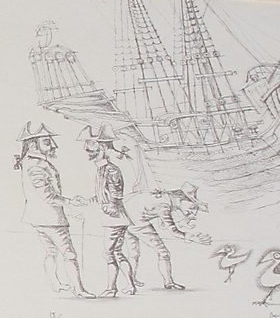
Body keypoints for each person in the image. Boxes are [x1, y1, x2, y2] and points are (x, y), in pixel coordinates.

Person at [16, 122, 95, 297]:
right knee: (70, 254)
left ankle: (56, 284)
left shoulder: (30, 162)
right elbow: (48, 195)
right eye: (47, 142)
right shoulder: (36, 165)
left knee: (51, 253)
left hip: (40, 218)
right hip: (51, 219)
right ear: (33, 145)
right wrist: (70, 203)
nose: (53, 145)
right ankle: (79, 290)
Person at [83, 126, 138, 297]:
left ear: (102, 148)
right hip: (112, 218)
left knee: (109, 253)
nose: (88, 152)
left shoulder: (111, 169)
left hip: (115, 218)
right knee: (116, 253)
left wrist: (112, 205)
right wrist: (88, 201)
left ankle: (112, 288)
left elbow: (116, 192)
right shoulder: (101, 169)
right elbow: (103, 194)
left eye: (91, 149)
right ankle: (128, 286)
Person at [125, 182, 211, 291]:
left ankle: (131, 280)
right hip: (137, 223)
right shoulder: (164, 206)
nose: (193, 213)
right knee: (164, 253)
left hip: (124, 221)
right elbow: (173, 231)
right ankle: (169, 282)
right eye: (193, 207)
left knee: (133, 253)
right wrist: (192, 237)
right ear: (181, 199)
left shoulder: (164, 198)